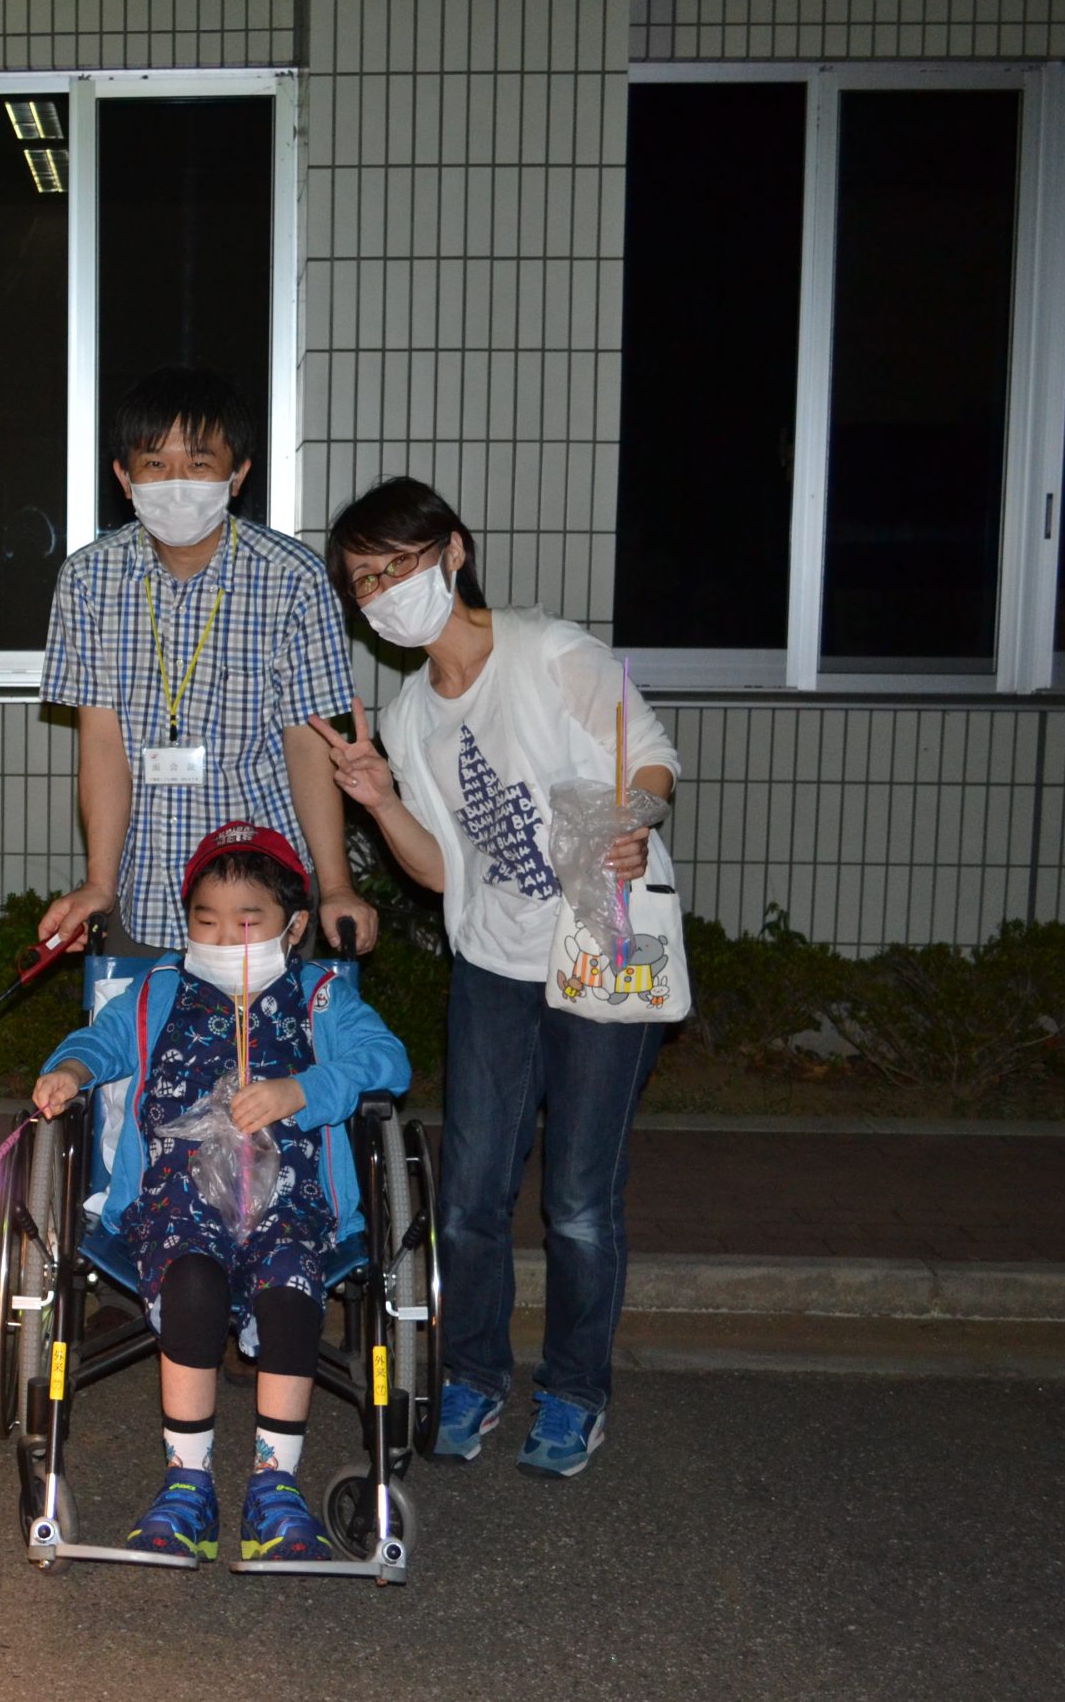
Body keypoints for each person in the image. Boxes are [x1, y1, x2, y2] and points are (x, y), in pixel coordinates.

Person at [314, 475, 680, 1479]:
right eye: (364, 581)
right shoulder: (405, 713)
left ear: (453, 551)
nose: (385, 590)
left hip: (601, 947)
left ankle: (572, 1395)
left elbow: (649, 758)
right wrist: (381, 800)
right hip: (492, 964)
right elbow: (442, 871)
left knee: (576, 1199)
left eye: (397, 565)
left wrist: (633, 826)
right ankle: (473, 1375)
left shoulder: (550, 649)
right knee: (471, 1195)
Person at [32, 822, 411, 1562]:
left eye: (248, 921)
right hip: (177, 1202)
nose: (225, 936)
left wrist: (302, 1088)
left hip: (291, 1202)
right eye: (205, 920)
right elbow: (97, 1041)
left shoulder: (319, 997)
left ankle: (275, 1486)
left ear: (293, 926)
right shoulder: (157, 992)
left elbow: (387, 1062)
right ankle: (187, 1483)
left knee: (291, 1288)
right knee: (192, 1284)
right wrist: (69, 1071)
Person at [38, 365, 377, 960]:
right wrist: (99, 882)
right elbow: (100, 742)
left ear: (237, 474)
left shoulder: (292, 579)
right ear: (124, 476)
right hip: (142, 891)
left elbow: (308, 742)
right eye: (154, 464)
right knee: (137, 1049)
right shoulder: (88, 581)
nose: (176, 482)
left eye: (199, 464)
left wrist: (338, 886)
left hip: (262, 903)